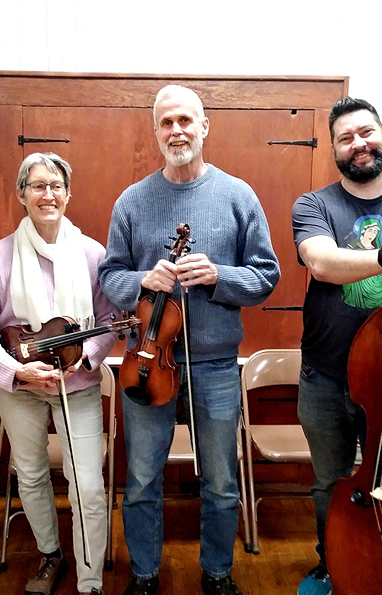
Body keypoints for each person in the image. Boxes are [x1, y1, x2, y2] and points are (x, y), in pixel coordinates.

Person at [99, 85, 280, 595]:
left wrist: (219, 276)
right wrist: (141, 282)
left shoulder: (238, 195)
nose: (176, 130)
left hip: (217, 365)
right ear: (155, 132)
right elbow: (110, 277)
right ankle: (144, 574)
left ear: (204, 127)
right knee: (139, 480)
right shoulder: (132, 202)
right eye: (166, 123)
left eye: (185, 120)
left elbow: (267, 275)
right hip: (146, 363)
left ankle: (218, 573)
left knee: (221, 480)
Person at [292, 96, 382, 595]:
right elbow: (323, 263)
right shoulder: (314, 205)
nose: (359, 143)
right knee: (332, 483)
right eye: (346, 137)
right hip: (328, 378)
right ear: (333, 148)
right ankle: (335, 562)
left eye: (366, 132)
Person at [0, 152, 116, 595]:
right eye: (37, 186)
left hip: (79, 386)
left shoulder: (92, 254)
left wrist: (83, 360)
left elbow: (108, 320)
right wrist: (18, 372)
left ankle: (90, 578)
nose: (47, 194)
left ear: (68, 194)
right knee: (29, 474)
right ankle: (52, 556)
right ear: (21, 195)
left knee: (87, 484)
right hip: (19, 389)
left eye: (55, 186)